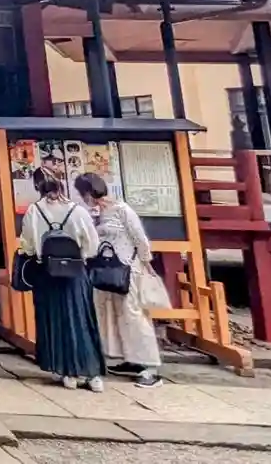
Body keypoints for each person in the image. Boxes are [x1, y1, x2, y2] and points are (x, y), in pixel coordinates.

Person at [19, 166, 107, 391]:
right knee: (81, 319)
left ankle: (67, 371)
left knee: (55, 321)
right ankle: (91, 373)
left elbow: (28, 246)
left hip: (47, 272)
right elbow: (92, 246)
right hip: (76, 273)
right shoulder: (77, 211)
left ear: (37, 186)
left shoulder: (34, 211)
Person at [74, 172, 164, 387]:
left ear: (88, 193)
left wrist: (146, 261)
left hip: (128, 269)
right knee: (115, 316)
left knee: (134, 315)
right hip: (107, 270)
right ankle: (131, 358)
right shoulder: (95, 213)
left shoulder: (122, 210)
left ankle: (150, 367)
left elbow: (139, 238)